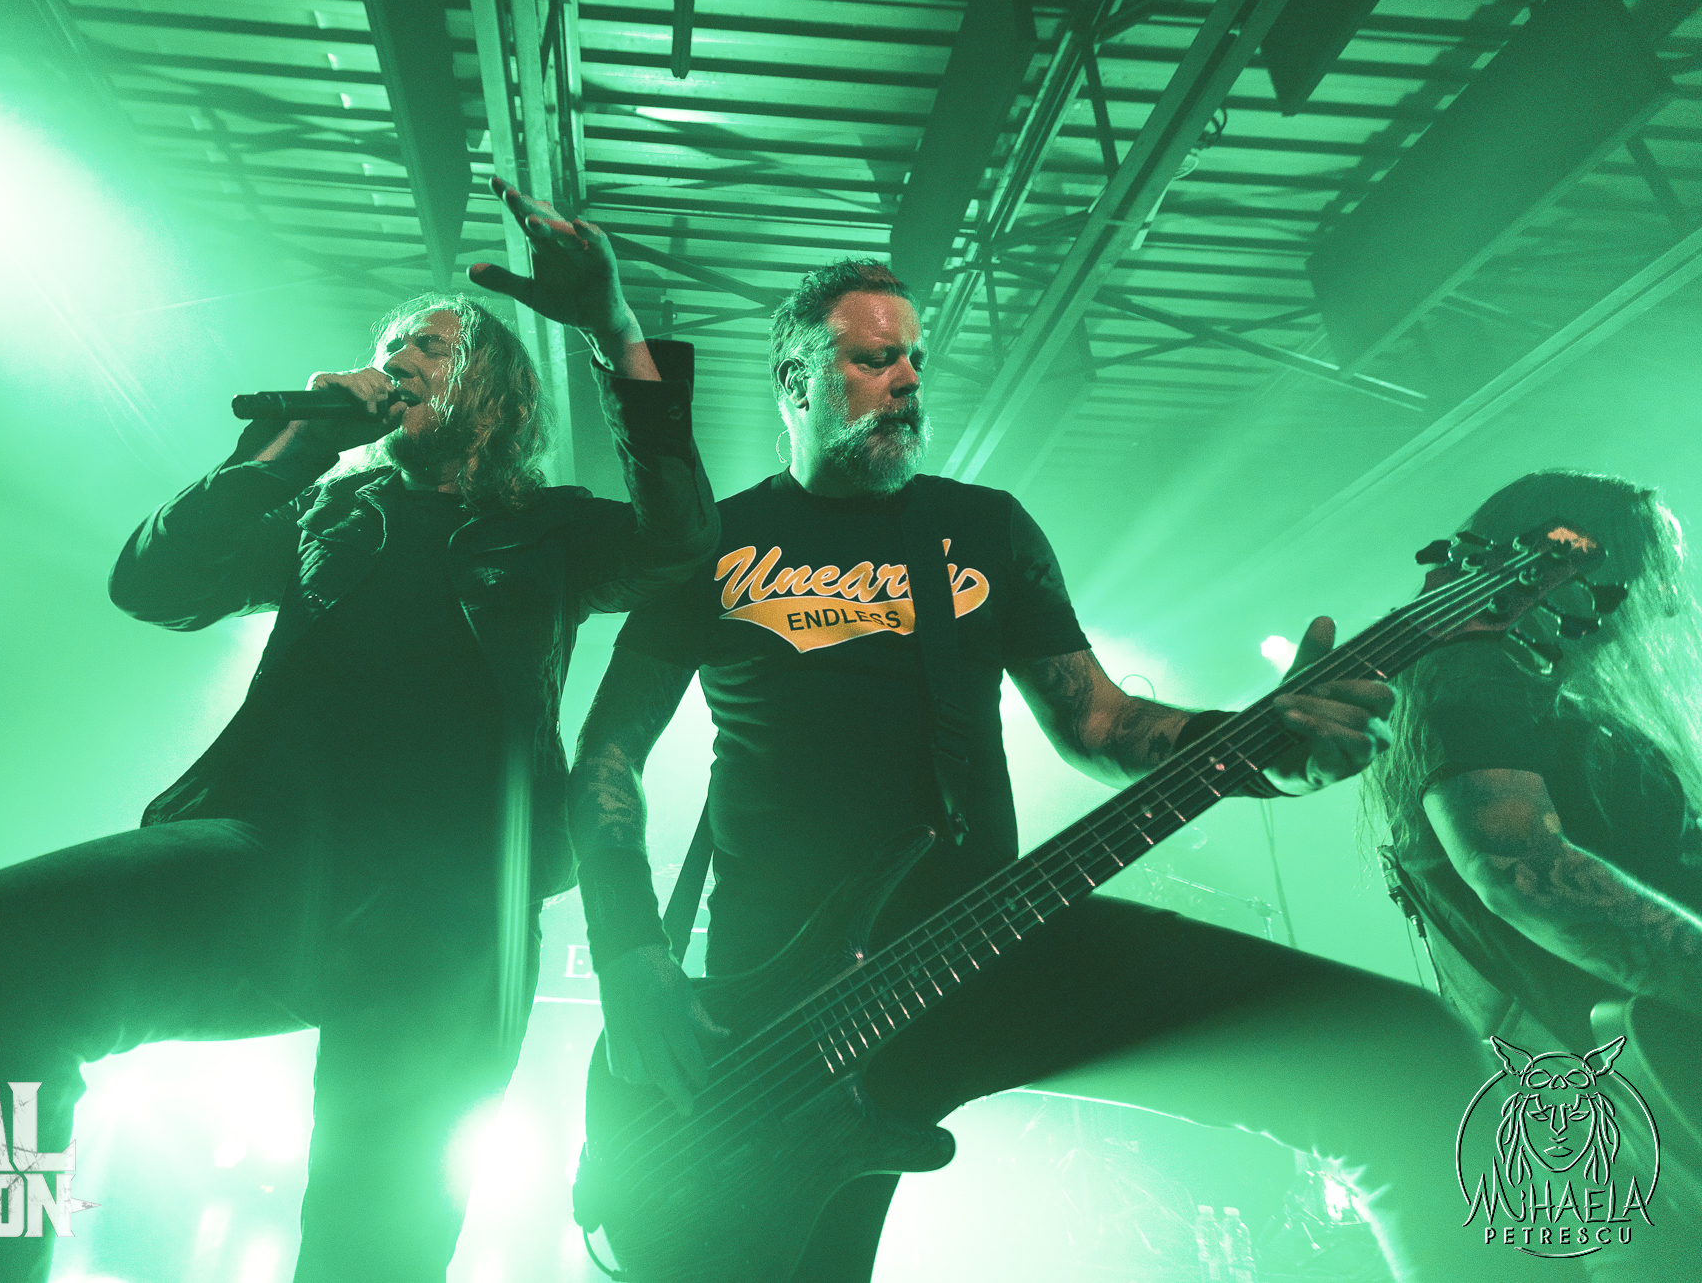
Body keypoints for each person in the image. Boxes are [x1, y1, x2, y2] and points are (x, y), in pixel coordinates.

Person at [0, 180, 716, 1283]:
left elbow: (681, 541)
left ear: (493, 389)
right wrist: (288, 453)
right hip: (275, 857)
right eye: (387, 348)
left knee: (370, 1253)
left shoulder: (552, 529)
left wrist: (611, 326)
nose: (397, 361)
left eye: (429, 347)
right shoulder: (328, 508)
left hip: (458, 907)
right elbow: (154, 585)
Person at [568, 258, 1533, 1282]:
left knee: (1400, 1054)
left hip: (986, 941)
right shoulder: (718, 542)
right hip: (787, 1015)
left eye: (916, 358)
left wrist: (1264, 752)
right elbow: (608, 757)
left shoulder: (980, 529)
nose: (908, 379)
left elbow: (1101, 722)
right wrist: (629, 956)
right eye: (874, 358)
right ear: (796, 382)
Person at [1368, 470, 1702, 1280]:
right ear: (1574, 567)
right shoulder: (1470, 684)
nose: (1667, 603)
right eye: (1652, 570)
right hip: (1623, 1103)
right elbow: (1522, 872)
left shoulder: (1549, 700)